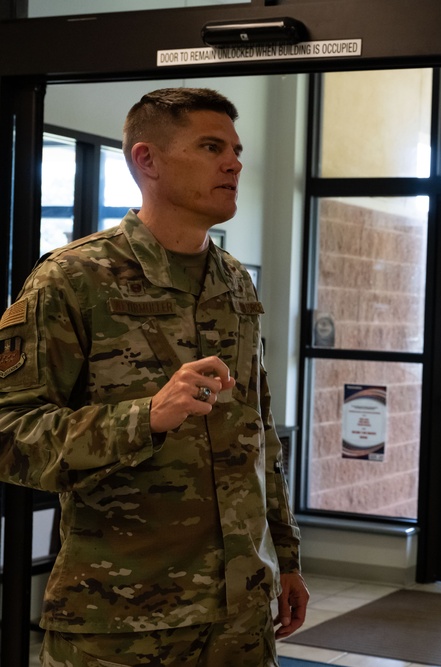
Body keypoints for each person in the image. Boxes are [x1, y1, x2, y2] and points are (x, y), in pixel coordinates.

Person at [0, 87, 308, 666]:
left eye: (236, 149)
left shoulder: (234, 282)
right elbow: (9, 431)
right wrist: (142, 418)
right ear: (147, 161)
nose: (234, 163)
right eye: (212, 146)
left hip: (240, 616)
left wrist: (285, 559)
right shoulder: (72, 280)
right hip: (120, 621)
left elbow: (258, 433)